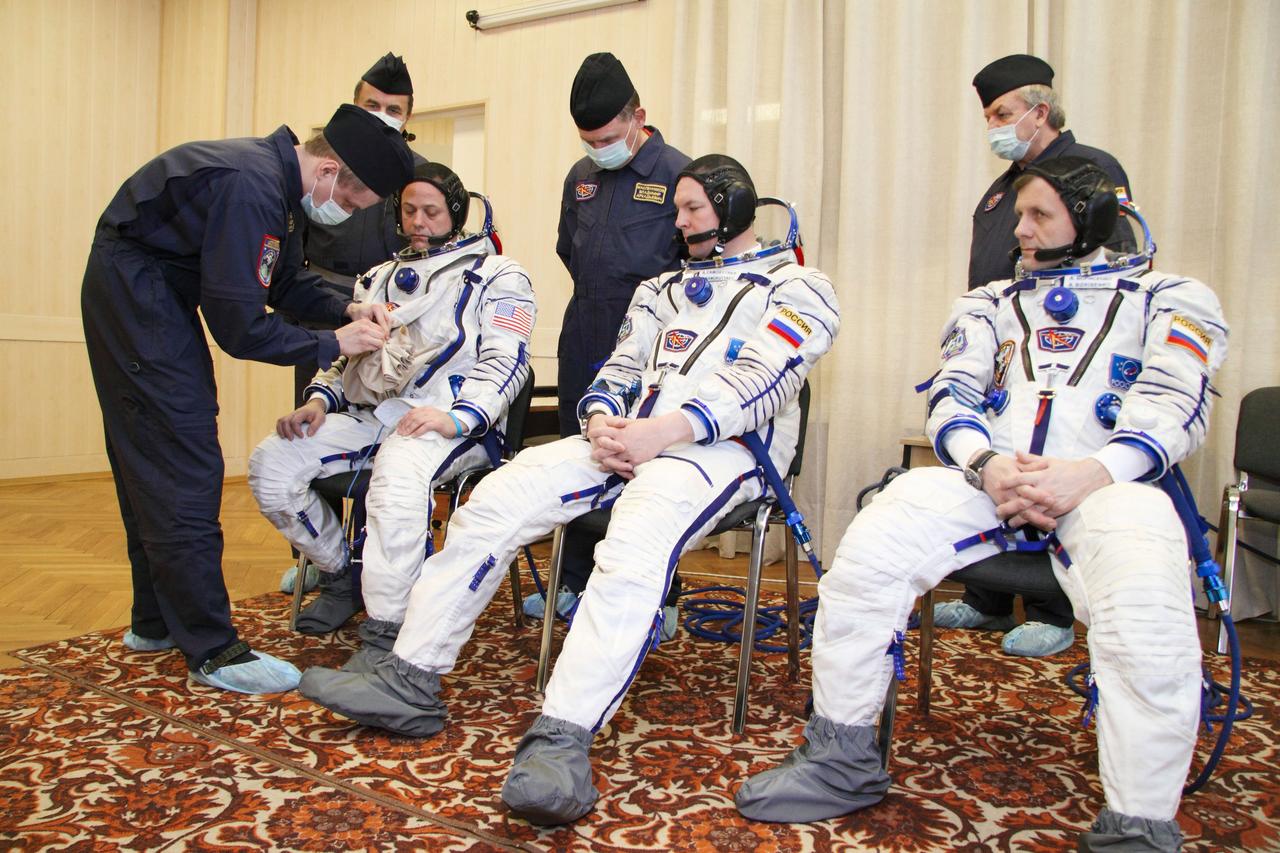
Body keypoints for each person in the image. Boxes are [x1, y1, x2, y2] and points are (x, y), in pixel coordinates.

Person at [299, 155, 840, 826]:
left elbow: (762, 380)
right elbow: (617, 367)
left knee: (633, 541)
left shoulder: (798, 287)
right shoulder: (659, 290)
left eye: (694, 207)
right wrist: (602, 419)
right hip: (628, 438)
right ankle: (410, 674)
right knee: (497, 496)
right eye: (678, 208)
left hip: (724, 449)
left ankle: (563, 735)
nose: (681, 220)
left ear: (733, 208)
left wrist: (661, 433)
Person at [736, 158, 1227, 852]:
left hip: (1110, 489)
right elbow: (951, 398)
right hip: (988, 483)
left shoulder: (1174, 299)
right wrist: (987, 463)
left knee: (1149, 609)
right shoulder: (988, 303)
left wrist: (1087, 474)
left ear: (1090, 219)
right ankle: (841, 755)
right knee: (867, 551)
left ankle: (1140, 823)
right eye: (1020, 214)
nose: (1019, 229)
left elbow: (1175, 408)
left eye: (1038, 216)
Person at [81, 104, 414, 694]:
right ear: (332, 171)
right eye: (356, 202)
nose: (349, 215)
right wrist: (332, 342)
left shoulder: (275, 184)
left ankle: (156, 621)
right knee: (183, 460)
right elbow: (238, 327)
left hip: (142, 288)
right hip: (138, 295)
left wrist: (347, 305)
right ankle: (213, 650)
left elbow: (281, 282)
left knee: (150, 459)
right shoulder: (252, 188)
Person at [249, 162, 535, 636]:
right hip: (374, 416)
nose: (418, 223)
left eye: (432, 212)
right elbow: (351, 356)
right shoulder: (378, 277)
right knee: (272, 463)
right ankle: (343, 573)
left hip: (452, 420)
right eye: (409, 211)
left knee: (396, 479)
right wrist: (320, 400)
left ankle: (388, 627)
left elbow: (509, 361)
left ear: (457, 213)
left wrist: (459, 419)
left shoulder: (499, 276)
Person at [946, 53, 1139, 657]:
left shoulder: (1090, 169)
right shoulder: (1000, 191)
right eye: (988, 116)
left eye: (1003, 113)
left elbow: (1119, 262)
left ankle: (1054, 608)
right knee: (994, 460)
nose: (995, 126)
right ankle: (988, 598)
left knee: (1049, 462)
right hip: (1007, 347)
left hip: (1068, 352)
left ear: (1040, 110)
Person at [526, 52, 692, 625]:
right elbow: (569, 250)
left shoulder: (678, 174)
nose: (598, 147)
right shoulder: (582, 177)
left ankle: (656, 594)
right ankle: (572, 580)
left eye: (606, 136)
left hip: (653, 345)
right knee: (583, 456)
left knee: (647, 465)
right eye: (587, 138)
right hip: (586, 328)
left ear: (637, 116)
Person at [280, 53, 427, 597]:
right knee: (311, 432)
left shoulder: (408, 177)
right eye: (373, 105)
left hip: (383, 321)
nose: (384, 115)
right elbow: (293, 257)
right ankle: (316, 557)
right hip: (322, 314)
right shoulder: (321, 164)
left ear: (409, 117)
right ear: (353, 102)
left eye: (395, 109)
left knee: (380, 442)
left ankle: (368, 556)